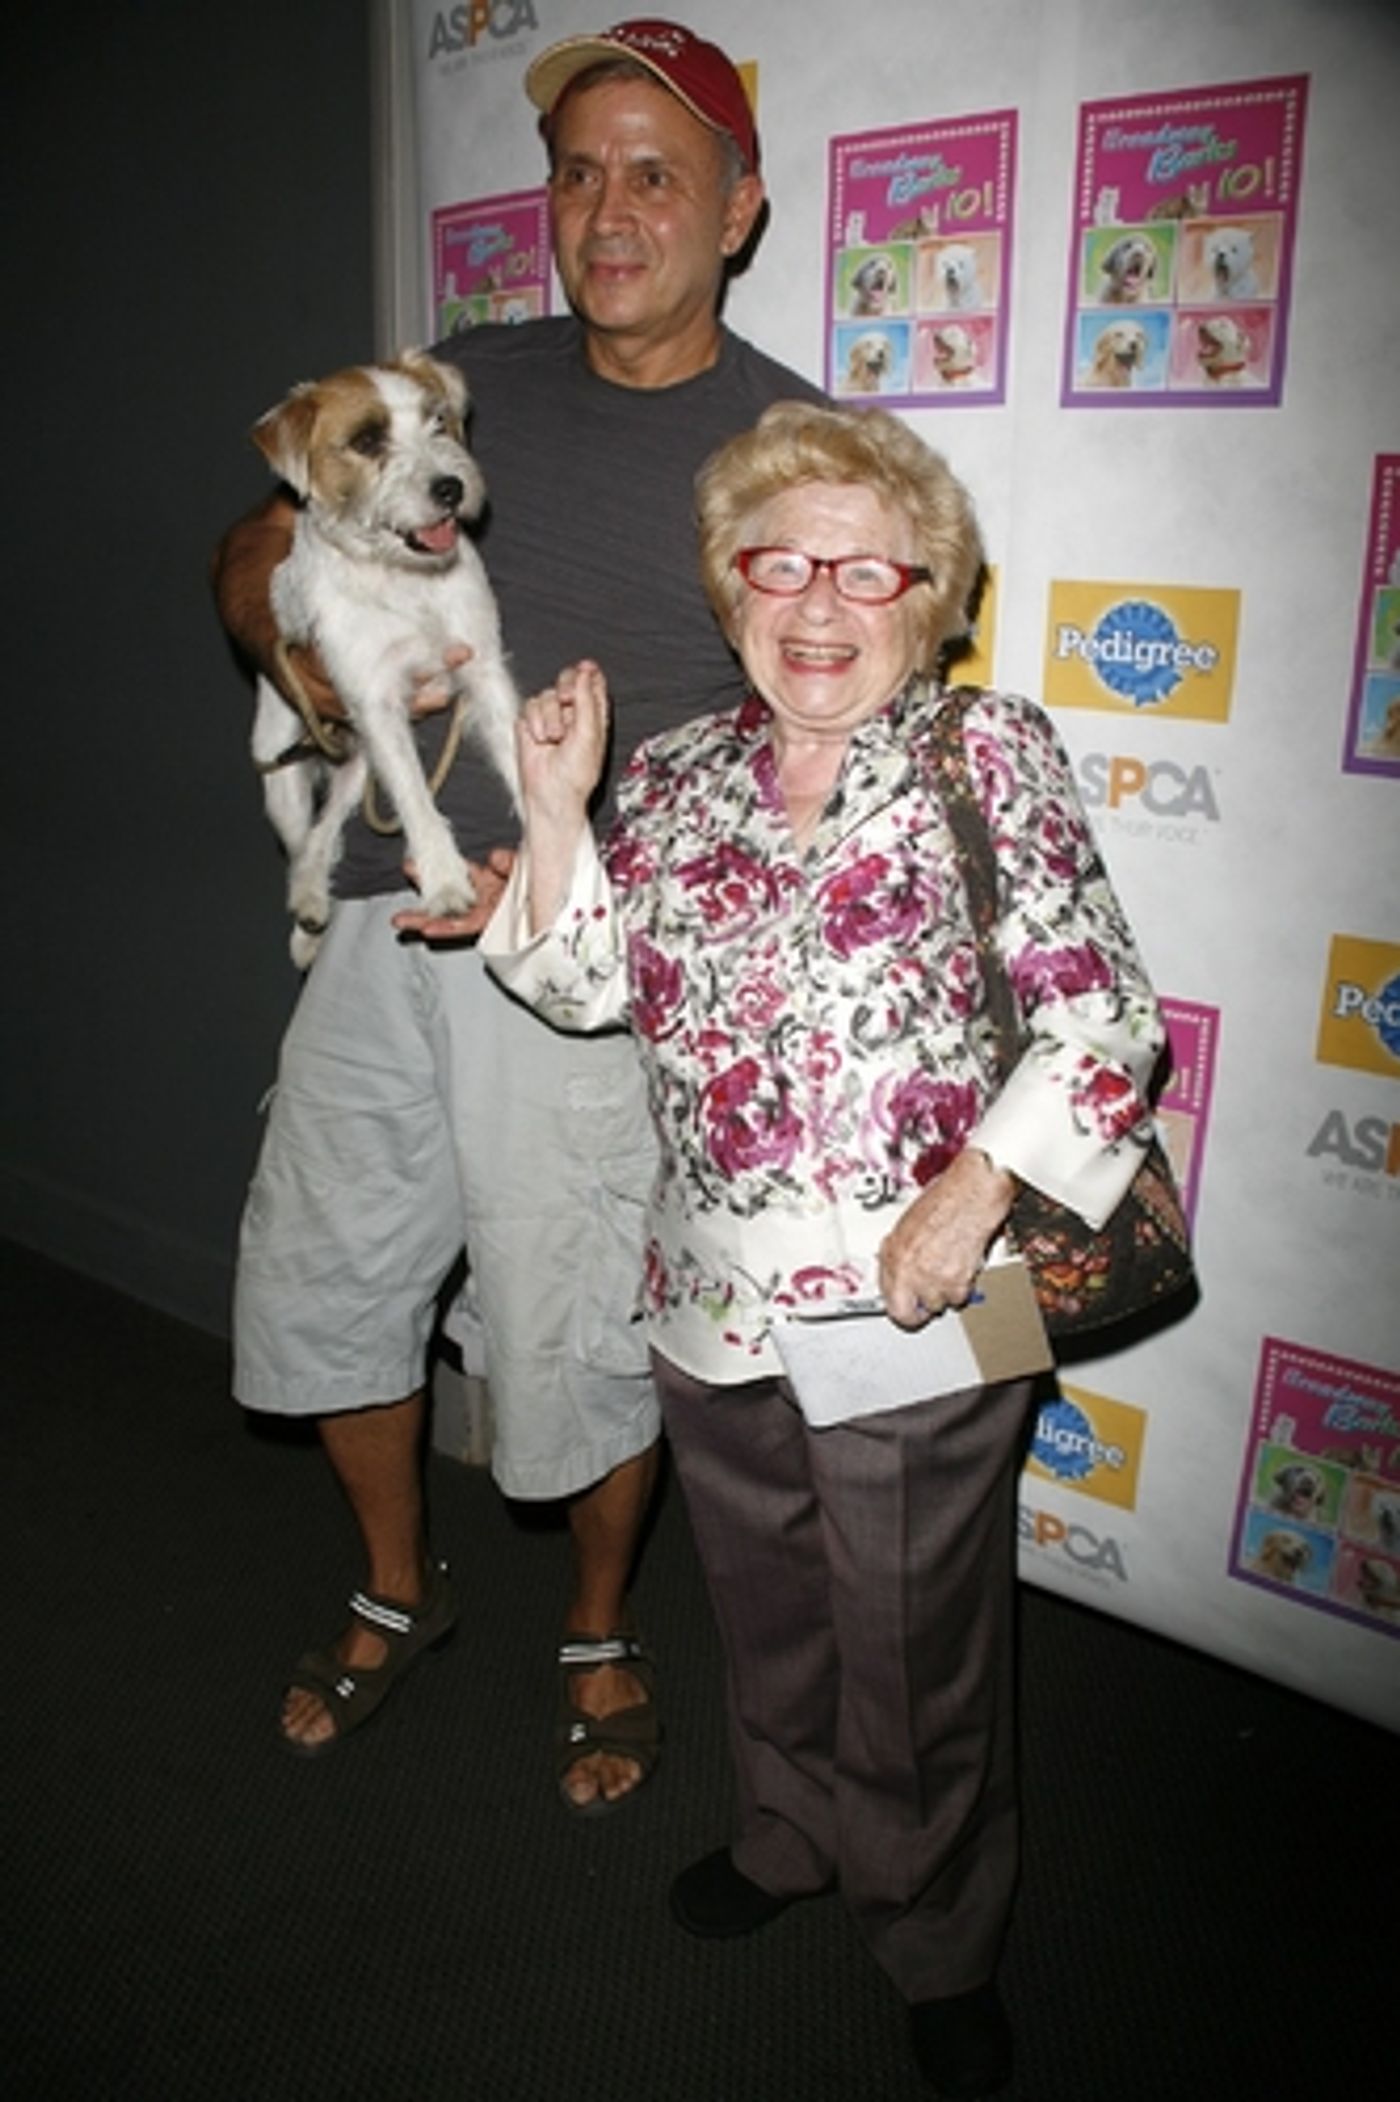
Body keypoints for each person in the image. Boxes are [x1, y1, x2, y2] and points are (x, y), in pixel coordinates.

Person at [480, 401, 1166, 2096]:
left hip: (929, 1297)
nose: (816, 603)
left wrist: (976, 1188)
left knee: (920, 1647)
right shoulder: (671, 775)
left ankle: (935, 1929)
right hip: (711, 1295)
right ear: (732, 590)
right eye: (777, 564)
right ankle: (789, 1832)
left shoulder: (986, 751)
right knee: (768, 1607)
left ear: (929, 600)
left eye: (865, 571)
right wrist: (557, 813)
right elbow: (582, 989)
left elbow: (1104, 1019)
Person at [210, 19, 824, 1807]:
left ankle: (599, 1625)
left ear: (739, 209)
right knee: (331, 1277)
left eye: (657, 174)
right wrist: (299, 666)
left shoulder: (789, 443)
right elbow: (255, 547)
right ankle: (397, 1588)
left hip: (581, 964)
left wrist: (577, 882)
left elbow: (809, 756)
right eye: (577, 173)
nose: (608, 210)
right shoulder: (455, 382)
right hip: (381, 921)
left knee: (574, 1332)